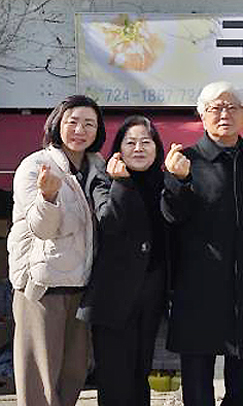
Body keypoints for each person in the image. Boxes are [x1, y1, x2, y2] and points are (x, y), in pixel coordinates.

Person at [161, 81, 243, 406]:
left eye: (233, 107)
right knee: (197, 383)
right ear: (202, 115)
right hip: (197, 287)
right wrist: (178, 181)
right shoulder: (185, 160)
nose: (225, 114)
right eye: (216, 108)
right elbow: (170, 216)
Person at [7, 94, 107, 406]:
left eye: (89, 124)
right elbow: (42, 229)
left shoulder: (98, 166)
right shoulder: (35, 165)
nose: (80, 130)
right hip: (42, 287)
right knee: (40, 382)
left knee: (73, 374)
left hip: (82, 286)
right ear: (56, 125)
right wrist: (48, 198)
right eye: (72, 122)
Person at [78, 115, 168, 406]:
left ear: (157, 148)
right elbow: (109, 222)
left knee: (141, 373)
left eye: (146, 142)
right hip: (113, 296)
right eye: (130, 143)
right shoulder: (103, 179)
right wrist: (122, 183)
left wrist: (182, 182)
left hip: (152, 293)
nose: (138, 148)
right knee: (115, 378)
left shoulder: (165, 182)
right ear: (119, 149)